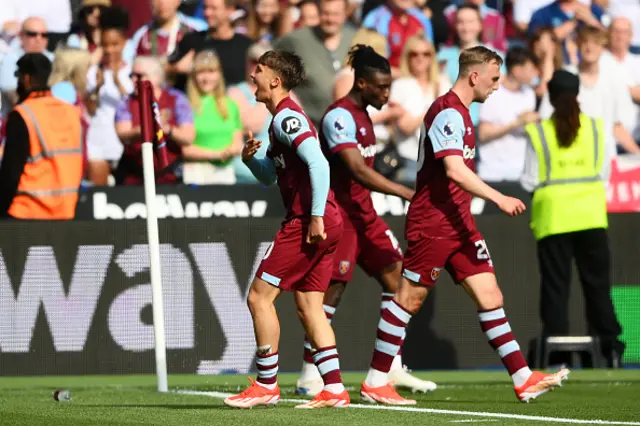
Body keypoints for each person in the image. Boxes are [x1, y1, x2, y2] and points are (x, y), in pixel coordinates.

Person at [360, 46, 570, 406]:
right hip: (434, 221)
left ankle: (523, 378)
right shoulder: (447, 113)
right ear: (474, 76)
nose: (496, 86)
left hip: (459, 222)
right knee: (409, 298)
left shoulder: (463, 113)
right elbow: (454, 170)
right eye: (493, 78)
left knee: (491, 296)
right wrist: (499, 198)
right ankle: (376, 380)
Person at [295, 44, 436, 398]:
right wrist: (406, 193)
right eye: (380, 87)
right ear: (361, 84)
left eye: (389, 86)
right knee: (332, 292)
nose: (386, 94)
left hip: (365, 214)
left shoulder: (365, 116)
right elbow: (357, 170)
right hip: (339, 216)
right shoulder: (338, 116)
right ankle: (310, 373)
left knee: (399, 281)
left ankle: (388, 369)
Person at [223, 50, 349, 409]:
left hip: (308, 221)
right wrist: (251, 161)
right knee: (310, 306)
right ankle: (336, 389)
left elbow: (319, 163)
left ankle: (266, 385)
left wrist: (315, 216)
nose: (253, 76)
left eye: (259, 71)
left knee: (258, 296)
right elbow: (270, 177)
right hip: (326, 219)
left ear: (275, 81)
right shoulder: (280, 119)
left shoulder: (286, 118)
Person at [520, 69, 625, 368]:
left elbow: (529, 180)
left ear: (550, 98)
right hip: (591, 217)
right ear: (577, 93)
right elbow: (604, 174)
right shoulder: (595, 128)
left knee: (556, 288)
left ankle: (557, 351)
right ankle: (610, 347)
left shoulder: (539, 132)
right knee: (597, 288)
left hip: (554, 219)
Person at [0, 53, 83, 219]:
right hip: (65, 212)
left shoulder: (23, 114)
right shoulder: (71, 112)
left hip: (27, 212)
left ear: (26, 78)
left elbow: (11, 171)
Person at [114, 56, 195, 185]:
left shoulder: (176, 98)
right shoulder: (126, 102)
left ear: (156, 77)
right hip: (134, 175)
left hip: (170, 175)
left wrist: (167, 129)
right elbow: (123, 134)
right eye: (132, 76)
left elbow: (188, 137)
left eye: (139, 76)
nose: (134, 80)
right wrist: (149, 127)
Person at [477, 46, 540, 182]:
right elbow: (483, 134)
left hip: (520, 172)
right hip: (492, 172)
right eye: (531, 69)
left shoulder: (529, 94)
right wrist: (517, 123)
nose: (535, 73)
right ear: (517, 70)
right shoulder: (492, 93)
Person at [182, 50, 242, 184]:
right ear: (193, 75)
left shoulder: (230, 104)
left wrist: (231, 150)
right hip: (195, 172)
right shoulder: (185, 105)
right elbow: (184, 149)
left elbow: (237, 140)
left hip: (225, 172)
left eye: (211, 71)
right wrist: (216, 154)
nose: (206, 78)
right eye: (201, 72)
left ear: (219, 74)